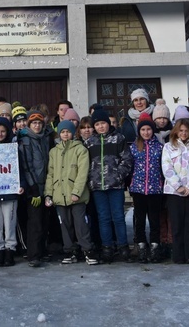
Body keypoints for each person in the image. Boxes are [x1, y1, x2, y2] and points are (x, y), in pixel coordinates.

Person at [44, 119, 97, 265]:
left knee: (80, 224)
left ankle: (87, 249)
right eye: (62, 132)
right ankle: (70, 250)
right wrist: (48, 194)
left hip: (76, 196)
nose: (65, 134)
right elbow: (51, 173)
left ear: (73, 133)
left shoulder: (80, 149)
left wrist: (77, 192)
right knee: (65, 225)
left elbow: (82, 172)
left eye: (68, 131)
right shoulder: (54, 151)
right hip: (59, 195)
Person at [85, 108, 133, 264]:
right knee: (103, 218)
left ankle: (123, 247)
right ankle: (107, 248)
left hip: (115, 186)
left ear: (108, 124)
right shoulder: (90, 142)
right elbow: (85, 164)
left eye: (103, 123)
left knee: (118, 217)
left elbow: (127, 160)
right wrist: (90, 179)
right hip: (97, 187)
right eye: (97, 124)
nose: (100, 127)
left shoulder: (118, 139)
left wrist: (118, 176)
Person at [161, 119, 189, 264]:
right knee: (177, 224)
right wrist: (178, 186)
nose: (184, 133)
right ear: (176, 131)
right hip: (174, 192)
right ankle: (178, 255)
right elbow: (166, 167)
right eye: (181, 130)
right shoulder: (168, 147)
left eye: (186, 131)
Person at [16, 110, 55, 267]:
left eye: (39, 123)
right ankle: (33, 254)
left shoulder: (46, 138)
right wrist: (33, 188)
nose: (37, 125)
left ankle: (42, 250)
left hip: (47, 185)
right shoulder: (25, 140)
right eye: (34, 123)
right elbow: (27, 165)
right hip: (34, 187)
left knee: (46, 220)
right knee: (35, 222)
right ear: (29, 125)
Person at [0, 117, 23, 267]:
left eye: (2, 131)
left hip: (10, 193)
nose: (0, 134)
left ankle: (10, 250)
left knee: (10, 223)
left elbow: (21, 169)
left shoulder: (13, 150)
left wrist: (22, 185)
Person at [129, 114, 164, 263]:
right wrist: (130, 183)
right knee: (140, 219)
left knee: (155, 219)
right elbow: (130, 167)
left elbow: (164, 168)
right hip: (138, 188)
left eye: (148, 129)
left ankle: (155, 246)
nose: (146, 132)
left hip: (155, 189)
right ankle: (141, 246)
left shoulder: (160, 147)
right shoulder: (134, 147)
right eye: (143, 129)